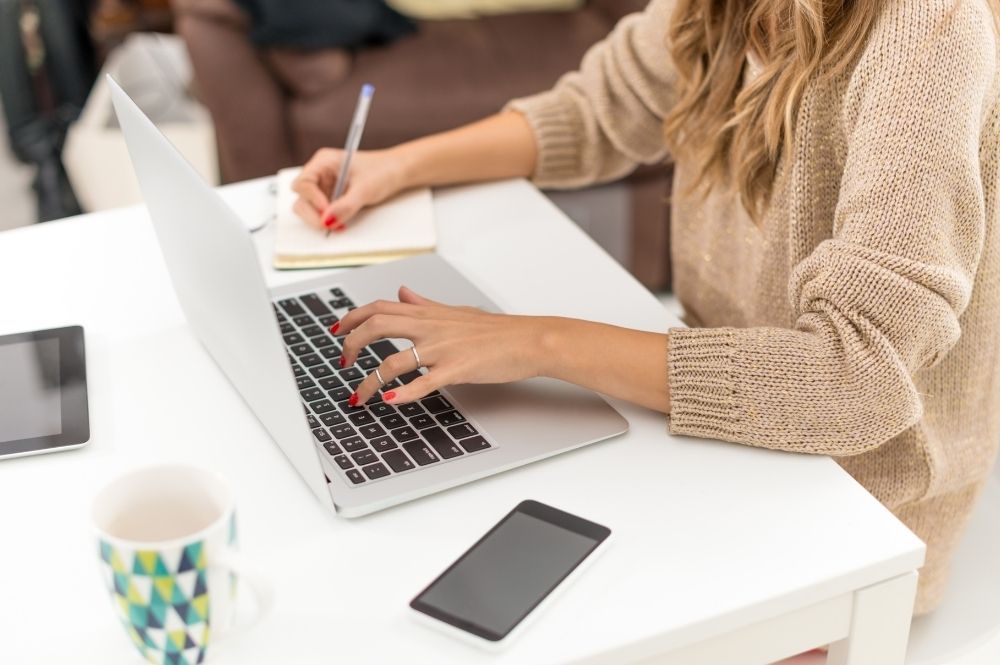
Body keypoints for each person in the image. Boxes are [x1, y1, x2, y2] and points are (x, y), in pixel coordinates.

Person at [292, 0, 1000, 615]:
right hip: (715, 429)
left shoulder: (927, 28)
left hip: (850, 506)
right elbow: (596, 112)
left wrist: (535, 344)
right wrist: (400, 165)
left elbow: (858, 379)